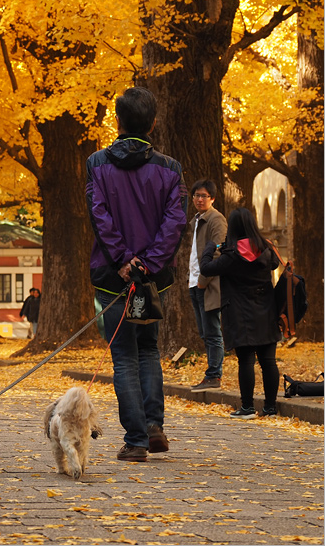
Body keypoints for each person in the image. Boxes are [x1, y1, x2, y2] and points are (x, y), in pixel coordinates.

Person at [86, 87, 187, 462]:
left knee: (124, 355)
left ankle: (137, 438)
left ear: (118, 121)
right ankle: (153, 424)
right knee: (148, 349)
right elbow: (174, 222)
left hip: (112, 276)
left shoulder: (97, 164)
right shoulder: (170, 169)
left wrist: (124, 260)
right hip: (153, 279)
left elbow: (99, 215)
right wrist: (149, 262)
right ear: (154, 123)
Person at [200, 208, 281, 419]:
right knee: (268, 360)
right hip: (266, 310)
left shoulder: (232, 256)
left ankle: (247, 407)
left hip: (240, 313)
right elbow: (274, 264)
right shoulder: (266, 250)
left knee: (246, 361)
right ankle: (270, 407)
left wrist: (210, 248)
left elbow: (206, 268)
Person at [187, 179, 227, 392]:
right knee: (204, 331)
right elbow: (195, 252)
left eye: (203, 196)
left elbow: (218, 252)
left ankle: (214, 376)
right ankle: (212, 373)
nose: (199, 199)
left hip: (208, 284)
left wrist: (203, 280)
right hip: (194, 282)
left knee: (212, 331)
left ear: (212, 198)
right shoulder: (196, 220)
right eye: (196, 195)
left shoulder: (216, 219)